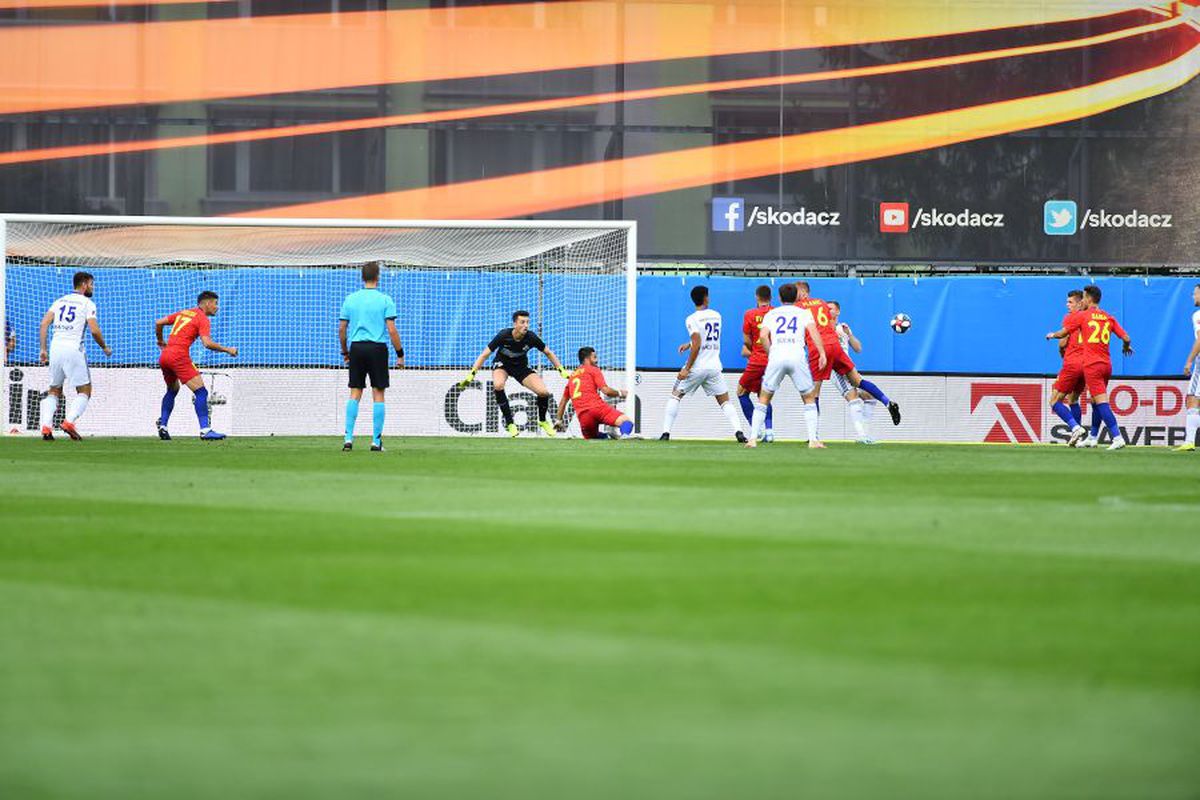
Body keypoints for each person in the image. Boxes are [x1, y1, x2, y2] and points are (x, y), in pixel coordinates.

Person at [794, 282, 900, 446]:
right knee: (858, 381)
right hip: (836, 348)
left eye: (796, 291)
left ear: (802, 292)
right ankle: (887, 402)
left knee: (814, 393)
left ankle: (814, 436)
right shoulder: (821, 303)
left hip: (819, 348)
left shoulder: (798, 307)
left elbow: (806, 329)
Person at [1045, 284, 1133, 450]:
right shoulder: (1108, 317)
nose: (1082, 301)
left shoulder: (1082, 316)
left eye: (1083, 298)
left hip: (1091, 365)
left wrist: (1052, 335)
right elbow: (1126, 337)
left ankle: (1115, 436)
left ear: (1088, 299)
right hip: (1107, 364)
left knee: (1099, 402)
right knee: (1092, 400)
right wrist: (1126, 347)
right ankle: (1092, 437)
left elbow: (1063, 335)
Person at [460, 310, 570, 437]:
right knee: (498, 385)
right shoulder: (503, 335)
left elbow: (548, 352)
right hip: (502, 365)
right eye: (522, 322)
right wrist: (472, 374)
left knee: (543, 392)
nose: (526, 325)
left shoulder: (531, 337)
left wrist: (561, 370)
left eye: (528, 322)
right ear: (515, 324)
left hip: (521, 367)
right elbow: (484, 355)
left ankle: (543, 421)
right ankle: (510, 423)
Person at [660, 285, 747, 442]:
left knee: (675, 396)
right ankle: (739, 432)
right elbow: (704, 338)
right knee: (725, 401)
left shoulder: (691, 319)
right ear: (706, 298)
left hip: (697, 366)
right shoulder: (717, 316)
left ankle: (666, 433)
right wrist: (689, 344)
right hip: (714, 366)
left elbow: (698, 342)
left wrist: (687, 368)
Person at [746, 282, 826, 448]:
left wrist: (770, 353)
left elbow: (763, 336)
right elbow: (814, 332)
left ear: (780, 298)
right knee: (809, 398)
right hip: (797, 355)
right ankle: (813, 440)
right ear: (796, 296)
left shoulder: (772, 314)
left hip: (777, 355)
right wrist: (822, 353)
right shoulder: (804, 313)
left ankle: (753, 439)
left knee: (764, 398)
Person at [36, 271, 111, 440]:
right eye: (91, 284)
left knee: (54, 390)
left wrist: (43, 349)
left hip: (55, 348)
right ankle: (69, 422)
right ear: (84, 284)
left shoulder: (59, 301)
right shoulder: (87, 303)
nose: (92, 287)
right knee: (85, 390)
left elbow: (43, 323)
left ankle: (46, 427)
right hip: (73, 349)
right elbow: (94, 330)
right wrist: (104, 347)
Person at [154, 290, 238, 441]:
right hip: (179, 356)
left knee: (172, 390)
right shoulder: (202, 318)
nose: (217, 307)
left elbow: (158, 322)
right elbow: (207, 343)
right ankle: (205, 430)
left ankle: (163, 425)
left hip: (165, 356)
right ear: (207, 303)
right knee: (201, 393)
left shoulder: (184, 313)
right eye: (215, 303)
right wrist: (228, 350)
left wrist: (160, 341)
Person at [339, 262, 404, 452]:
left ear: (362, 277)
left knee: (355, 392)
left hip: (357, 348)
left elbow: (342, 329)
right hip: (377, 349)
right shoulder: (385, 300)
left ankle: (348, 439)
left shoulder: (350, 299)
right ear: (378, 277)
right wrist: (400, 354)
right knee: (378, 393)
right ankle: (376, 441)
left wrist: (345, 352)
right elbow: (392, 330)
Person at [828, 300, 879, 444]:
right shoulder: (824, 328)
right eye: (826, 309)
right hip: (836, 369)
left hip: (849, 367)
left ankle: (865, 433)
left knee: (870, 396)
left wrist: (849, 334)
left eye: (831, 308)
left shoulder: (842, 328)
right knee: (853, 397)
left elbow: (858, 348)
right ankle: (862, 436)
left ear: (838, 311)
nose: (828, 311)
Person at [555, 347, 634, 439]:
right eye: (595, 357)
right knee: (627, 422)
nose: (597, 361)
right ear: (587, 359)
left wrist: (558, 420)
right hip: (597, 408)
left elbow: (563, 401)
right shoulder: (593, 369)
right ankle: (625, 438)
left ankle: (608, 436)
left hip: (583, 417)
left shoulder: (572, 376)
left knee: (593, 437)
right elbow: (606, 391)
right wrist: (620, 393)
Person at [1047, 290, 1089, 446]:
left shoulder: (1071, 318)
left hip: (1072, 364)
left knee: (1054, 401)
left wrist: (1054, 339)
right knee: (1073, 399)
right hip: (1086, 365)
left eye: (1070, 302)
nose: (1067, 305)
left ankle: (1075, 427)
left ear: (1079, 303)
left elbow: (1062, 343)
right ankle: (1077, 438)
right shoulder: (1089, 319)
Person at [737, 285, 775, 442]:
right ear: (770, 298)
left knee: (741, 392)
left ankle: (756, 428)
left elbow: (746, 341)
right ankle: (769, 431)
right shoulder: (776, 313)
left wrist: (754, 349)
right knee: (764, 395)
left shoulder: (750, 314)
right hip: (773, 360)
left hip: (757, 359)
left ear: (757, 297)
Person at [1176, 283, 1200, 452]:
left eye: (1195, 293)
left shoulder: (1198, 315)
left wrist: (1189, 361)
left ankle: (1190, 441)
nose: (1193, 297)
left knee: (1192, 398)